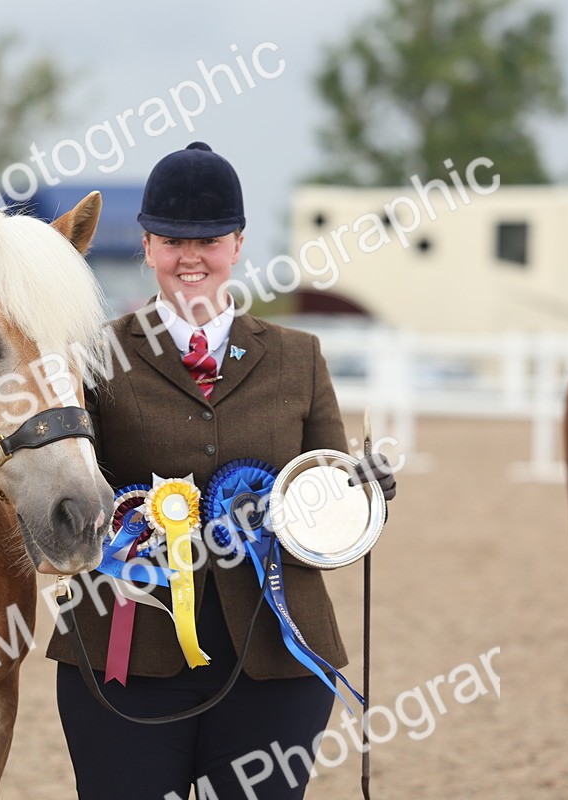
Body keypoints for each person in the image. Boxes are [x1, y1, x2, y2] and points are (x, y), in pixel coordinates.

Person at [46, 141, 397, 800]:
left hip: (274, 657)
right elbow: (61, 485)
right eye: (173, 240)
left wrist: (362, 490)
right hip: (128, 657)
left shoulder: (299, 357)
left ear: (237, 245)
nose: (190, 257)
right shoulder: (93, 357)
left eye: (208, 239)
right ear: (147, 247)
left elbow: (324, 503)